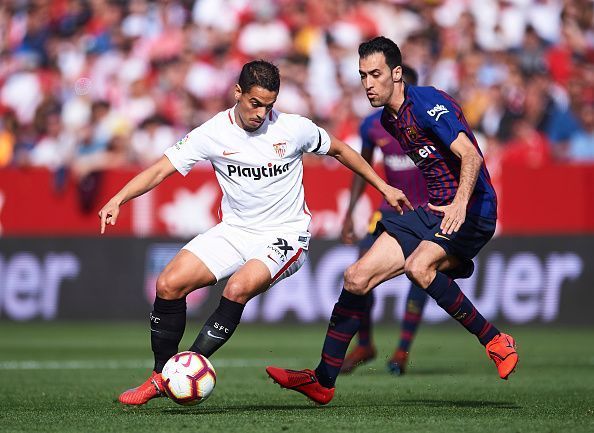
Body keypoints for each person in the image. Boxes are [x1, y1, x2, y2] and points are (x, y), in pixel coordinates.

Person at [98, 60, 410, 406]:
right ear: (238, 93)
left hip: (285, 236)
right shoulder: (213, 132)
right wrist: (118, 198)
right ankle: (160, 375)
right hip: (235, 230)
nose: (262, 113)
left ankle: (185, 368)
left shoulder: (293, 128)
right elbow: (160, 170)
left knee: (237, 288)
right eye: (255, 104)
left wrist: (383, 186)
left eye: (269, 106)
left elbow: (339, 149)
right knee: (168, 284)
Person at [266, 37, 519, 405]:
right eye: (362, 75)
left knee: (419, 267)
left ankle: (495, 339)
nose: (368, 83)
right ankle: (322, 380)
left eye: (376, 74)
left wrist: (461, 203)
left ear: (397, 74)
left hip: (473, 209)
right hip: (432, 210)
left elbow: (471, 156)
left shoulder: (428, 104)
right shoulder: (388, 119)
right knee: (355, 278)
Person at [340, 65, 429, 376]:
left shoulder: (430, 122)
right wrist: (351, 211)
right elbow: (364, 168)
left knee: (421, 276)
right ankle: (364, 344)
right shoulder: (372, 126)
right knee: (358, 273)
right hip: (389, 213)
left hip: (427, 211)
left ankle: (402, 352)